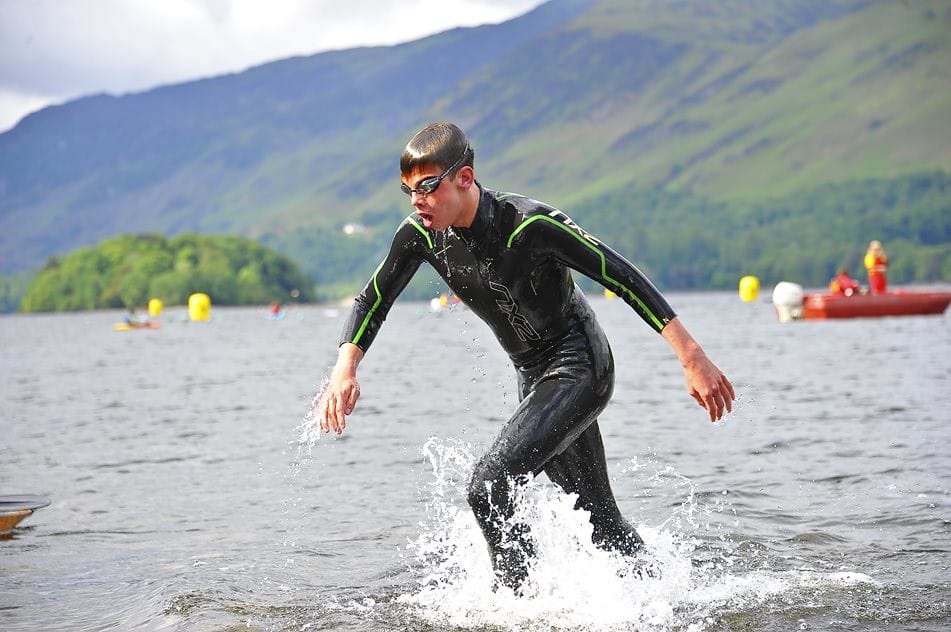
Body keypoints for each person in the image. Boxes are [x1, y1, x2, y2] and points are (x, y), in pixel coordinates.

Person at [315, 123, 735, 592]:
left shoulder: (530, 225)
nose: (417, 201)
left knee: (488, 487)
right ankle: (677, 595)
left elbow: (618, 273)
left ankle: (516, 608)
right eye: (408, 190)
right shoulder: (422, 236)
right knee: (602, 524)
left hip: (580, 366)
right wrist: (344, 369)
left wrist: (691, 357)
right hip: (534, 379)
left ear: (464, 178)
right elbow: (373, 298)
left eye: (428, 187)